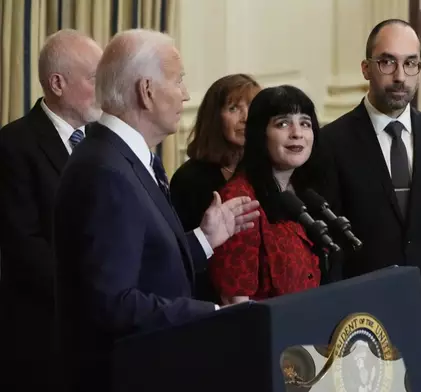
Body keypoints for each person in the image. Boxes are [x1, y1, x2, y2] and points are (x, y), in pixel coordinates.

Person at [52, 29, 260, 391]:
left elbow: (145, 267)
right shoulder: (106, 171)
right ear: (146, 91)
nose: (186, 94)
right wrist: (214, 314)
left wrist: (203, 240)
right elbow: (113, 303)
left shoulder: (124, 157)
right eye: (178, 80)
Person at [319, 19, 421, 392]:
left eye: (410, 63)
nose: (400, 75)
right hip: (362, 328)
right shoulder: (332, 142)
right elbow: (332, 248)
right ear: (366, 68)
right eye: (387, 62)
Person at [0, 29, 102, 389]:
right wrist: (89, 293)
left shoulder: (103, 142)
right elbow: (24, 245)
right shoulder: (13, 145)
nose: (103, 90)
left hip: (104, 326)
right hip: (45, 332)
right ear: (57, 83)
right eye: (94, 78)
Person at [210, 85, 323, 304]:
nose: (297, 133)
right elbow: (235, 302)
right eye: (283, 123)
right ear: (260, 133)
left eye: (305, 123)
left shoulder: (307, 193)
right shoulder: (240, 200)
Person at [170, 74, 260, 301]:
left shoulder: (267, 170)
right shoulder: (189, 179)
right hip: (210, 299)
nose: (246, 117)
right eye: (234, 109)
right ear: (215, 118)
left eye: (252, 107)